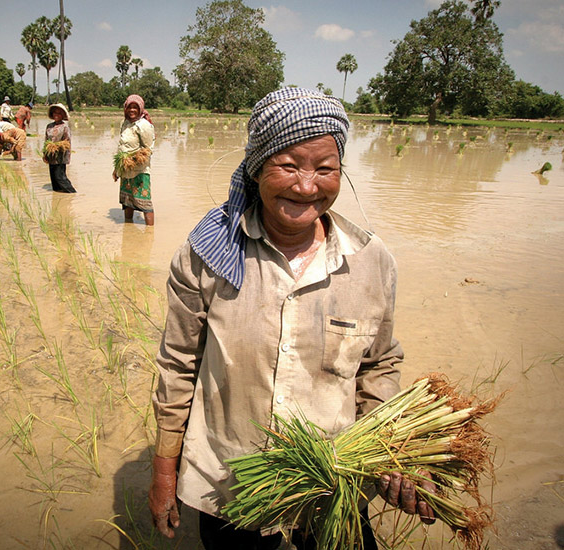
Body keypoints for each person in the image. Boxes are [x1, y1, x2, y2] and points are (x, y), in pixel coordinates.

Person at [148, 87, 436, 549]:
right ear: (257, 167)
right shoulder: (207, 254)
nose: (307, 186)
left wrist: (391, 454)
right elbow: (178, 363)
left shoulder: (370, 261)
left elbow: (379, 366)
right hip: (232, 478)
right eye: (288, 166)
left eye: (325, 169)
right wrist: (164, 471)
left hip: (333, 476)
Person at [112, 94, 155, 226]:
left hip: (139, 170)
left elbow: (148, 149)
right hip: (125, 169)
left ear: (140, 108)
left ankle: (150, 232)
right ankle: (128, 230)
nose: (132, 110)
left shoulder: (144, 125)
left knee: (145, 202)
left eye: (135, 107)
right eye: (129, 107)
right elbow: (121, 147)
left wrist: (133, 160)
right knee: (127, 200)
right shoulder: (124, 123)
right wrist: (117, 168)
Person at [42, 103, 76, 193]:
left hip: (60, 156)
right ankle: (58, 198)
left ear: (62, 115)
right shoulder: (49, 126)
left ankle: (72, 193)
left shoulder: (65, 127)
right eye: (55, 113)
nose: (56, 115)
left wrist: (56, 146)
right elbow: (46, 140)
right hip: (51, 156)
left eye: (59, 113)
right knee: (54, 180)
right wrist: (45, 153)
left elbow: (67, 142)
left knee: (60, 177)